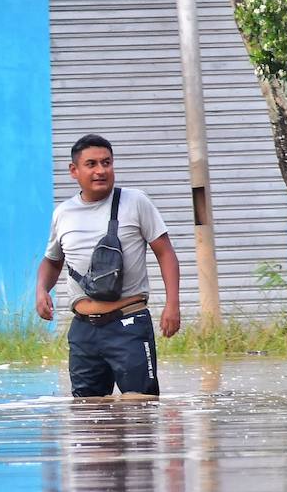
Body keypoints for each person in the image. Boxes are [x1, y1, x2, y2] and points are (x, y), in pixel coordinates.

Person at [35, 134, 181, 397]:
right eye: (91, 164)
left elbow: (166, 253)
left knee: (141, 408)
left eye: (107, 163)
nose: (101, 171)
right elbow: (52, 261)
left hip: (129, 323)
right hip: (83, 330)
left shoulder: (135, 202)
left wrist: (172, 304)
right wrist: (41, 290)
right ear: (74, 171)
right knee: (87, 415)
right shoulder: (63, 214)